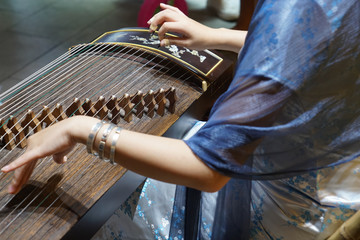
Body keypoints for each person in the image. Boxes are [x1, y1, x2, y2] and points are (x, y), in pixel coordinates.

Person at [2, 1, 360, 240]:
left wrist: (79, 127)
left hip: (284, 205)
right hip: (340, 185)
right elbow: (315, 44)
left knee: (101, 198)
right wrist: (215, 37)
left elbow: (207, 169)